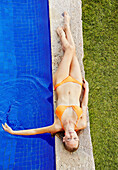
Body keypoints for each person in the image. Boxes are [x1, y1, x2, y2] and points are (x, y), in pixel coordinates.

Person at [2, 12, 89, 152]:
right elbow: (84, 105)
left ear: (65, 138)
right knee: (72, 53)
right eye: (75, 138)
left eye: (70, 139)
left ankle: (64, 30)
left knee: (70, 50)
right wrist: (87, 90)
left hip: (60, 82)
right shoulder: (82, 123)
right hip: (77, 82)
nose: (73, 136)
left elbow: (35, 131)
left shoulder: (56, 126)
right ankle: (65, 29)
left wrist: (13, 132)